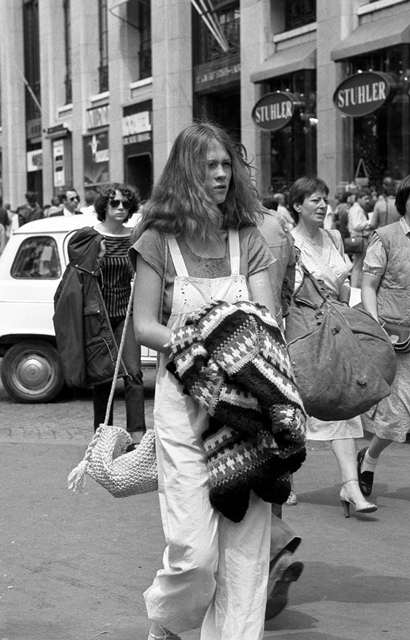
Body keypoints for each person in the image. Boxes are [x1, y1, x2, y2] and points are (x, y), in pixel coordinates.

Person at [130, 123, 303, 640]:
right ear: (187, 172)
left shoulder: (247, 237)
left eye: (227, 164)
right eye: (210, 165)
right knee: (194, 553)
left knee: (246, 558)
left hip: (246, 407)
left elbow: (265, 319)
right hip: (183, 405)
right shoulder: (157, 240)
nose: (223, 174)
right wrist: (203, 349)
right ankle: (169, 620)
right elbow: (144, 326)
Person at [288, 176, 377, 518]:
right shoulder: (288, 242)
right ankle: (284, 476)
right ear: (297, 205)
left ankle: (350, 485)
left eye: (324, 198)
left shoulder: (334, 237)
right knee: (296, 405)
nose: (323, 205)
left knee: (343, 401)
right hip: (301, 330)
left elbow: (343, 282)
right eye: (314, 199)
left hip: (334, 326)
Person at [80, 183, 146, 438]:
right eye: (114, 203)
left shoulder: (134, 237)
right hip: (99, 316)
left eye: (125, 204)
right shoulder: (92, 236)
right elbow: (80, 275)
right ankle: (103, 433)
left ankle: (137, 436)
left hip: (126, 313)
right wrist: (96, 259)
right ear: (104, 207)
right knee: (103, 377)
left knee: (134, 373)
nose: (120, 208)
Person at [358, 175, 410, 497]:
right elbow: (368, 285)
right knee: (396, 417)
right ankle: (369, 459)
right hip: (395, 338)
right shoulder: (385, 237)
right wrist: (378, 327)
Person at [347, 187, 372, 287]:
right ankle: (354, 287)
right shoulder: (356, 209)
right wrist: (368, 222)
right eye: (365, 198)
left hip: (359, 239)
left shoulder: (356, 209)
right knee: (358, 265)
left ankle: (355, 286)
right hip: (359, 239)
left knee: (358, 264)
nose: (367, 201)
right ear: (359, 198)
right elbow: (356, 225)